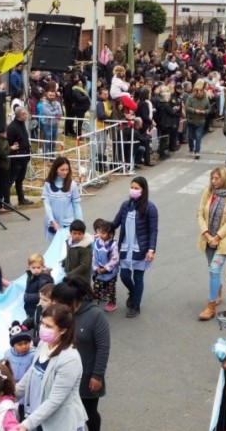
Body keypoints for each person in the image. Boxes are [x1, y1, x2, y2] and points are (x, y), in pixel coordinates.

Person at [14, 303, 88, 431]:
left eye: (48, 326)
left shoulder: (69, 359)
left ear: (63, 330)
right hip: (38, 418)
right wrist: (11, 394)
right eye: (42, 323)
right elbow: (32, 372)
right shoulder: (44, 344)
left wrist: (27, 424)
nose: (43, 328)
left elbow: (55, 400)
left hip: (59, 424)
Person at [50, 279, 110, 431]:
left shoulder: (95, 315)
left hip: (87, 378)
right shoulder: (62, 315)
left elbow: (103, 347)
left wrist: (97, 375)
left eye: (60, 303)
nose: (56, 306)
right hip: (63, 373)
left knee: (88, 413)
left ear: (74, 302)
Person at [196, 166, 226, 321]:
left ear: (225, 179)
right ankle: (217, 291)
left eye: (217, 178)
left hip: (223, 241)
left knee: (214, 270)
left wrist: (217, 237)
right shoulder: (208, 192)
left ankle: (210, 307)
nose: (214, 181)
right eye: (212, 178)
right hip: (208, 238)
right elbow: (200, 213)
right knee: (212, 267)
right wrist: (207, 235)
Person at [110, 176, 158, 318]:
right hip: (125, 246)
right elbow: (115, 223)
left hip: (141, 249)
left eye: (137, 188)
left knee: (138, 278)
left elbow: (153, 230)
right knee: (124, 275)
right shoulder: (126, 205)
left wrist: (151, 250)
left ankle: (136, 306)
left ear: (143, 190)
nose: (133, 190)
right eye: (132, 187)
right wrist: (102, 231)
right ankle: (133, 292)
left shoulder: (150, 208)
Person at [41, 156, 82, 243]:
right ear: (56, 169)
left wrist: (80, 225)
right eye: (62, 170)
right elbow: (47, 204)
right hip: (52, 224)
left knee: (67, 252)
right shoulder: (47, 184)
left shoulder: (72, 184)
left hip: (68, 224)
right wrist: (53, 221)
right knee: (54, 252)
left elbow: (77, 206)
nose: (65, 172)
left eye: (67, 169)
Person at [4, 323, 36, 411]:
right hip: (12, 392)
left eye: (26, 343)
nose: (24, 346)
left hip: (27, 394)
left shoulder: (33, 355)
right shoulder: (8, 354)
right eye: (20, 344)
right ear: (13, 345)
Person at [6, 107, 33, 206]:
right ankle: (6, 201)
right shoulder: (12, 127)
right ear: (19, 115)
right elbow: (8, 142)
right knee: (10, 180)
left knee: (20, 180)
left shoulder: (22, 125)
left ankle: (21, 199)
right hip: (16, 158)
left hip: (24, 157)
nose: (26, 115)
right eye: (24, 114)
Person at [91, 219, 120, 312]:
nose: (100, 235)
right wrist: (95, 267)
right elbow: (94, 255)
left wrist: (106, 268)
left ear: (110, 234)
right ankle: (95, 302)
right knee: (97, 286)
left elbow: (115, 259)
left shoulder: (113, 245)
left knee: (110, 288)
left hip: (110, 272)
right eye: (100, 232)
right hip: (99, 270)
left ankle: (112, 302)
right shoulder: (97, 243)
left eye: (103, 233)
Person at [185, 82, 211, 160]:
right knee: (191, 136)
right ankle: (191, 148)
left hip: (200, 121)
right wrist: (194, 111)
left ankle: (197, 152)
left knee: (198, 136)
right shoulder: (191, 98)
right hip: (191, 120)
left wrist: (204, 112)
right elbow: (187, 107)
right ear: (196, 91)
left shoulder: (206, 99)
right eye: (199, 91)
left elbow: (209, 108)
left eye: (202, 91)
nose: (200, 93)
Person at [62, 219, 93, 285]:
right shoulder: (69, 243)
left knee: (81, 294)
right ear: (70, 233)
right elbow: (70, 256)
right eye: (74, 233)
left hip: (81, 279)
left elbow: (84, 265)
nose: (77, 236)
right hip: (71, 277)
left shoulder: (85, 248)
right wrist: (63, 262)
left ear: (83, 234)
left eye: (79, 234)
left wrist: (70, 274)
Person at [23, 253, 53, 319]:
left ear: (43, 267)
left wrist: (27, 297)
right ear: (29, 267)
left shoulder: (44, 279)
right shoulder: (31, 276)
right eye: (33, 268)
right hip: (30, 308)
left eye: (38, 267)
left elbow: (43, 295)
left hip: (38, 309)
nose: (36, 270)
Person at [39, 90, 63, 156]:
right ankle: (45, 156)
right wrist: (56, 112)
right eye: (50, 95)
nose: (52, 97)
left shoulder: (57, 103)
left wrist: (54, 113)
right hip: (47, 125)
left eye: (53, 95)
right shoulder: (44, 104)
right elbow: (48, 114)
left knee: (54, 142)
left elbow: (61, 113)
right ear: (47, 95)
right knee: (47, 141)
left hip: (55, 125)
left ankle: (52, 156)